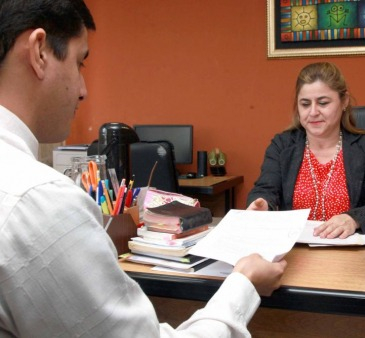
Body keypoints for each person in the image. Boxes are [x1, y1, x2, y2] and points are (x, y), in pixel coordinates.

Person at [0, 1, 286, 337]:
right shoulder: (38, 201)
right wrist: (244, 282)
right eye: (79, 63)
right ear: (39, 53)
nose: (83, 90)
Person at [247, 62, 365, 239]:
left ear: (344, 101)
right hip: (293, 251)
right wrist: (261, 204)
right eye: (305, 104)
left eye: (323, 103)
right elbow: (265, 189)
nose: (313, 112)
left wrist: (354, 219)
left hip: (349, 252)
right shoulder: (282, 145)